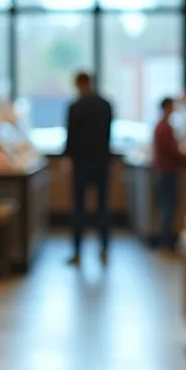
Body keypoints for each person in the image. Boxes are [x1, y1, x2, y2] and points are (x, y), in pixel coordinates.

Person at [63, 71, 113, 265]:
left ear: (79, 84)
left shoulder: (75, 106)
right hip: (101, 163)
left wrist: (68, 158)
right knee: (103, 208)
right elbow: (109, 134)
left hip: (81, 163)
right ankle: (104, 250)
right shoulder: (105, 105)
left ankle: (77, 252)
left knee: (78, 209)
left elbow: (71, 136)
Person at [152, 97, 184, 250]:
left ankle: (165, 239)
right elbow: (174, 150)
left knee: (167, 206)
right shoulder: (164, 128)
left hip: (163, 171)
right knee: (168, 207)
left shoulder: (161, 126)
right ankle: (165, 240)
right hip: (167, 172)